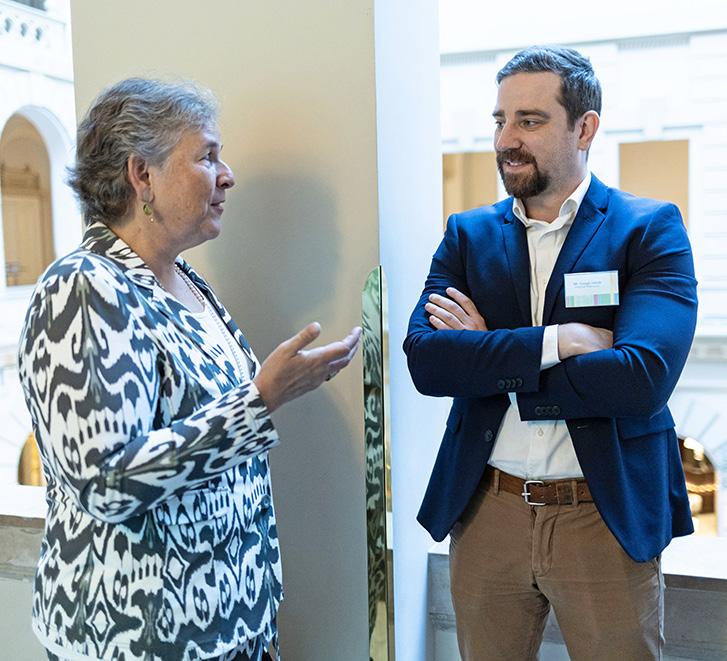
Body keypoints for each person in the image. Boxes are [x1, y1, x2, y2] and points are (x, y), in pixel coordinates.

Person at [17, 78, 361, 661]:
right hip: (138, 638)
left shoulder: (184, 281)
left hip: (233, 627)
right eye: (206, 156)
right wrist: (261, 400)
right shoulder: (83, 288)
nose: (227, 175)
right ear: (142, 175)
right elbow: (106, 483)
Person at [404, 46, 698, 660]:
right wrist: (555, 342)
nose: (506, 140)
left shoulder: (648, 229)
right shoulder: (468, 235)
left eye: (530, 121)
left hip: (602, 514)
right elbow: (428, 363)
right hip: (488, 510)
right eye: (500, 120)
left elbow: (641, 379)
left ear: (584, 128)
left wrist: (488, 355)